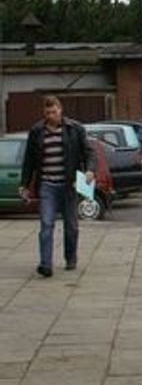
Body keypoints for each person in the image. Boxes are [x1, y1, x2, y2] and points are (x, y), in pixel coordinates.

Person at [19, 95, 94, 278]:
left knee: (71, 226)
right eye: (47, 113)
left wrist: (90, 171)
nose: (51, 115)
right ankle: (45, 264)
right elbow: (29, 160)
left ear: (60, 110)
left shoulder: (75, 129)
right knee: (46, 224)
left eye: (54, 112)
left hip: (69, 184)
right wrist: (24, 185)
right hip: (47, 185)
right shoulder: (37, 131)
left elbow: (88, 153)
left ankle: (70, 258)